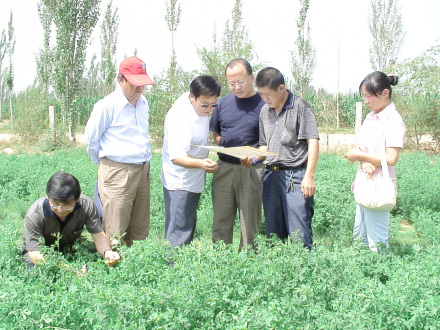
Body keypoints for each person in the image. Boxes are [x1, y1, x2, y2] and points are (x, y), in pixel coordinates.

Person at [83, 56, 154, 247]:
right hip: (117, 171)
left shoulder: (143, 103)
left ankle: (135, 267)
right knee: (115, 227)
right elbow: (91, 140)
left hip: (142, 170)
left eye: (143, 84)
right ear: (121, 79)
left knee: (140, 226)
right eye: (135, 83)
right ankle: (113, 268)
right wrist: (107, 165)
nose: (140, 88)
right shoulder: (107, 106)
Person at [255, 67, 319, 249]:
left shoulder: (300, 107)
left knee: (299, 232)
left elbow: (312, 142)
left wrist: (309, 176)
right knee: (273, 234)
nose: (264, 99)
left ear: (281, 88)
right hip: (270, 176)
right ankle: (278, 272)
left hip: (295, 176)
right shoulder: (264, 112)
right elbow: (264, 145)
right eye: (261, 95)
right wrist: (252, 158)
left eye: (267, 94)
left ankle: (303, 269)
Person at [345, 71, 406, 252]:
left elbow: (391, 158)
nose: (365, 100)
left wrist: (361, 157)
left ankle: (380, 276)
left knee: (377, 241)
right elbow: (363, 148)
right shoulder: (371, 117)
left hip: (379, 184)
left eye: (368, 95)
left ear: (385, 93)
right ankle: (362, 274)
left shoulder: (393, 121)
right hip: (365, 181)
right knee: (360, 234)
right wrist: (363, 161)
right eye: (363, 96)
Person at [209, 59, 266, 250]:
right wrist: (223, 144)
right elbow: (216, 132)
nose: (236, 87)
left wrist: (254, 157)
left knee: (249, 221)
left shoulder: (263, 104)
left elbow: (267, 143)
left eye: (241, 82)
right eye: (231, 83)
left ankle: (249, 262)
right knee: (221, 219)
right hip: (224, 168)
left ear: (251, 78)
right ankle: (221, 262)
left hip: (251, 169)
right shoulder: (222, 103)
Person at [161, 75, 221, 248]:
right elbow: (177, 157)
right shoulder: (181, 118)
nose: (209, 109)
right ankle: (173, 268)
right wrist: (202, 164)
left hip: (191, 179)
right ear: (192, 96)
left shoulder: (197, 106)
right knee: (179, 231)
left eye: (213, 104)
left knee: (185, 225)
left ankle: (179, 266)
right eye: (205, 104)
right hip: (181, 182)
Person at [22, 172, 120, 267]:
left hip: (71, 246)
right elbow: (35, 254)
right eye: (55, 203)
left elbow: (99, 236)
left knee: (97, 259)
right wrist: (70, 270)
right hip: (43, 251)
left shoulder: (87, 206)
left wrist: (107, 252)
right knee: (35, 269)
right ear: (48, 197)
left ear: (77, 199)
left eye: (67, 205)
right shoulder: (35, 214)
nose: (60, 209)